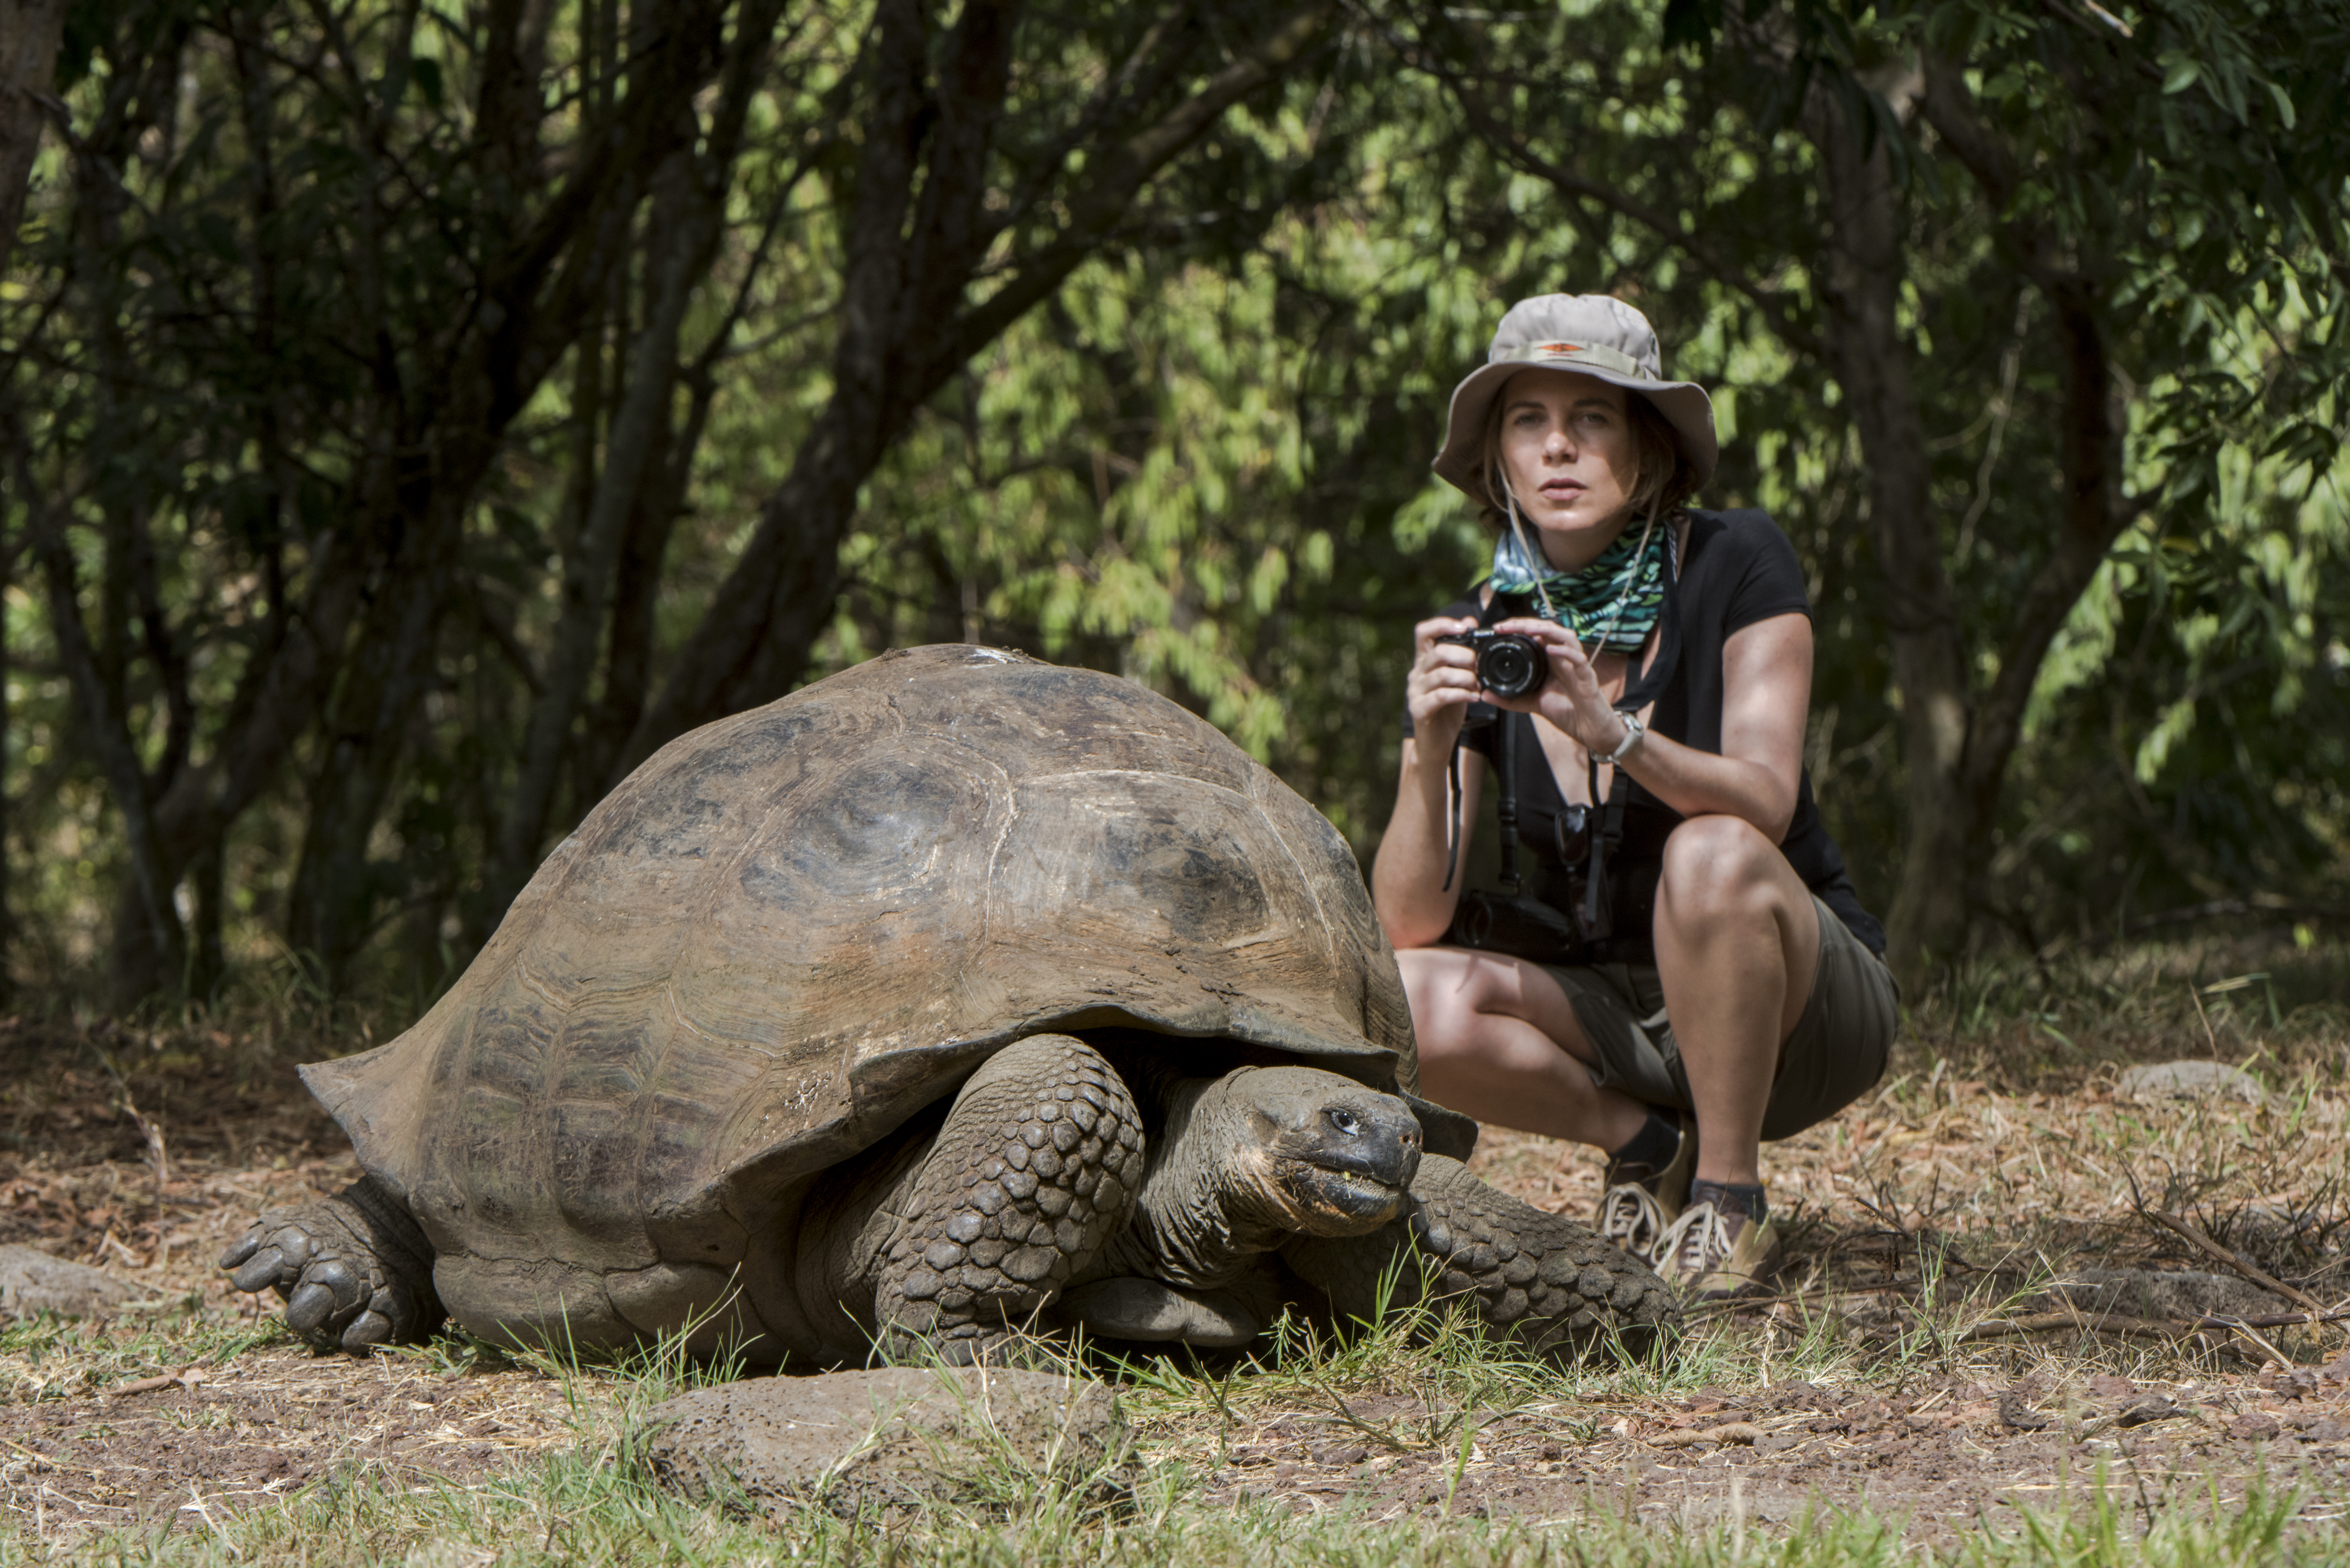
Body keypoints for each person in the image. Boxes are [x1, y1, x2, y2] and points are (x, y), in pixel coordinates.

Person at [1370, 294, 1897, 1299]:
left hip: (1799, 1005)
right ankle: (1644, 1146)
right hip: (1610, 1012)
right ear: (1497, 461)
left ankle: (1728, 1199)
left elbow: (1766, 806)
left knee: (1714, 850)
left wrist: (1612, 733)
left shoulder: (1737, 562)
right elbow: (1408, 920)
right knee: (1396, 994)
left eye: (1593, 418)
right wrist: (1428, 749)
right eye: (1528, 420)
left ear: (1648, 450)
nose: (1558, 448)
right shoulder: (1483, 632)